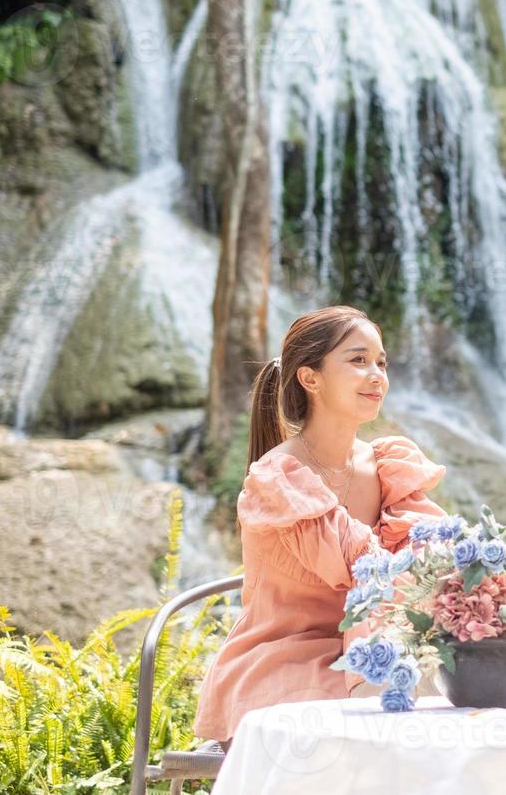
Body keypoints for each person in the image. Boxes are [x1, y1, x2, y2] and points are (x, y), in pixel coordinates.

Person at [191, 305, 448, 746]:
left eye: (381, 362)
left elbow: (429, 568)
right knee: (390, 702)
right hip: (282, 662)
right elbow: (372, 574)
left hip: (369, 652)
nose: (377, 375)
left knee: (437, 676)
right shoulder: (278, 478)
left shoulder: (389, 468)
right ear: (310, 378)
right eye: (358, 360)